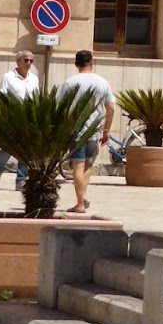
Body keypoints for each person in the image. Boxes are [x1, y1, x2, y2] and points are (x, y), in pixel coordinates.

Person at [59, 48, 115, 215]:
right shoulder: (102, 82)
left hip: (76, 131)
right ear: (91, 62)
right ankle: (82, 198)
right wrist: (106, 131)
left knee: (78, 165)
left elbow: (59, 107)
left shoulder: (69, 83)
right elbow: (110, 108)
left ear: (76, 64)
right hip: (94, 131)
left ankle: (80, 203)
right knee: (87, 164)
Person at [0, 49, 39, 188]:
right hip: (12, 118)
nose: (28, 63)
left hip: (28, 119)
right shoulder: (8, 77)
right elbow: (2, 96)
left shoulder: (34, 79)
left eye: (31, 61)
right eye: (25, 60)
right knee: (8, 148)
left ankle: (20, 180)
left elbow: (36, 98)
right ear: (18, 61)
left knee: (25, 150)